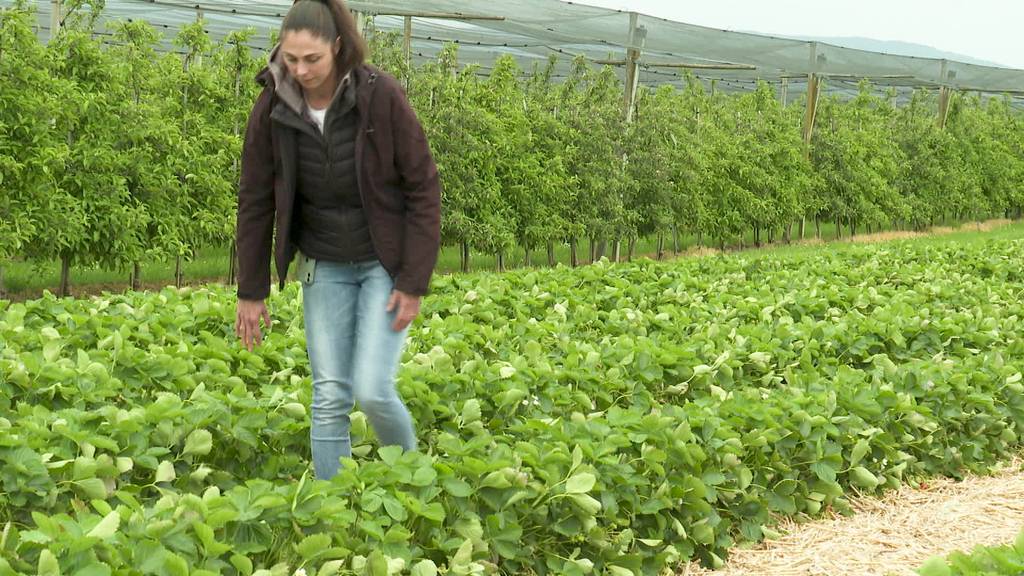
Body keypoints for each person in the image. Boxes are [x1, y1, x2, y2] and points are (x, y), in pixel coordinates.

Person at [233, 0, 441, 480]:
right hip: (323, 263)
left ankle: (412, 480)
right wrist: (251, 290)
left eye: (312, 59)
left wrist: (413, 281)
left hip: (382, 264)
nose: (301, 70)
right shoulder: (272, 105)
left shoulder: (380, 96)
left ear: (338, 48)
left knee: (371, 388)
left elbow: (423, 188)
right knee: (329, 393)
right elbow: (255, 198)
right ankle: (334, 508)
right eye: (291, 58)